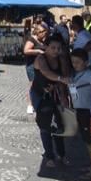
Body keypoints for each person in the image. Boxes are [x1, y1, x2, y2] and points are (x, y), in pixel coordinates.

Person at [31, 33, 71, 168]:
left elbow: (64, 75)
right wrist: (60, 79)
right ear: (46, 47)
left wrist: (64, 96)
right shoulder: (40, 59)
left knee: (60, 126)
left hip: (56, 94)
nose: (56, 51)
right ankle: (49, 155)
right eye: (53, 47)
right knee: (45, 126)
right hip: (41, 96)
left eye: (58, 48)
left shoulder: (61, 59)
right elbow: (47, 73)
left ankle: (62, 154)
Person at [69, 49, 91, 158]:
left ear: (85, 62)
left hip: (89, 111)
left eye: (77, 62)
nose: (75, 65)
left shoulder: (90, 75)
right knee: (86, 140)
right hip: (80, 110)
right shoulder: (74, 75)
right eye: (73, 62)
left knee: (90, 140)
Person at [24, 24, 48, 114]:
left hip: (42, 65)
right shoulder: (32, 39)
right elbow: (26, 50)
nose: (45, 36)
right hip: (32, 65)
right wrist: (37, 51)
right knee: (32, 85)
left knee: (41, 84)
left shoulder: (43, 40)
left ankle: (39, 101)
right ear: (38, 32)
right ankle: (30, 105)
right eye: (43, 34)